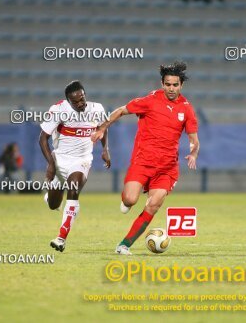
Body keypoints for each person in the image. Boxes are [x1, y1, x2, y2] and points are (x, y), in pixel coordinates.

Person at [92, 62, 200, 255]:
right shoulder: (149, 101)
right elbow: (121, 110)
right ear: (162, 83)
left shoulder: (187, 108)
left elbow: (194, 139)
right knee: (130, 199)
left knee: (154, 204)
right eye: (168, 84)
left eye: (175, 85)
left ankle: (124, 245)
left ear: (181, 85)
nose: (171, 88)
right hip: (143, 161)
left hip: (167, 167)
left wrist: (193, 153)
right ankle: (126, 201)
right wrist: (103, 127)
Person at [39, 81, 110, 252]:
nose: (80, 104)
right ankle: (51, 197)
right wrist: (51, 164)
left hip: (82, 160)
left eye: (82, 99)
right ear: (68, 101)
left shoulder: (97, 109)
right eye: (75, 102)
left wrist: (105, 149)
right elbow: (42, 139)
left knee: (73, 189)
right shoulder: (58, 110)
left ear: (85, 95)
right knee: (53, 204)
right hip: (59, 159)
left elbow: (103, 128)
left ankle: (61, 238)